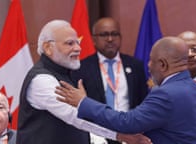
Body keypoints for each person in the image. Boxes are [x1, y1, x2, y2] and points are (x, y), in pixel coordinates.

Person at [16, 19, 151, 144]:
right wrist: (120, 134)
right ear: (47, 47)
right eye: (70, 43)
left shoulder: (65, 73)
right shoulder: (42, 80)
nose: (78, 48)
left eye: (78, 43)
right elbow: (75, 116)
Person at [56, 36, 196, 144]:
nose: (148, 65)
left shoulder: (166, 94)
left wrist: (83, 102)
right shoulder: (193, 87)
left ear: (162, 65)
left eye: (151, 60)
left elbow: (128, 122)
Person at [71, 17, 148, 144]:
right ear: (94, 39)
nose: (110, 39)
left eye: (114, 34)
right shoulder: (81, 68)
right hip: (98, 135)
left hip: (130, 134)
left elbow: (142, 101)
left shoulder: (135, 65)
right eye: (104, 35)